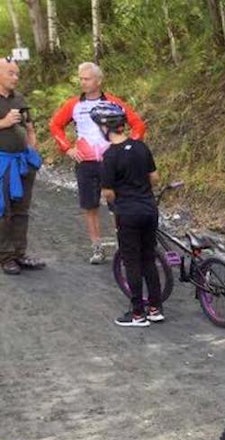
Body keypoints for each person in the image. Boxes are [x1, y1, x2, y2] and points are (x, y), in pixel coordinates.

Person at [49, 62, 146, 265]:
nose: (82, 82)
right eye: (80, 78)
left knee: (117, 204)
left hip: (111, 161)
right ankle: (97, 247)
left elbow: (138, 124)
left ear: (98, 81)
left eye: (87, 78)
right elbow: (55, 125)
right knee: (89, 205)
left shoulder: (113, 102)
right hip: (85, 162)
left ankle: (123, 244)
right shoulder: (74, 104)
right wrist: (67, 148)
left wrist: (130, 149)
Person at [94, 102, 163, 327]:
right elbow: (154, 178)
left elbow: (108, 193)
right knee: (149, 259)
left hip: (128, 213)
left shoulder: (110, 156)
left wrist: (119, 199)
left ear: (105, 127)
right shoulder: (141, 147)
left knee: (131, 262)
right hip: (149, 210)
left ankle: (137, 314)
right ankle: (155, 308)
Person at [0, 58, 44, 276]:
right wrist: (4, 123)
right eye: (10, 73)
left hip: (22, 162)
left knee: (21, 210)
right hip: (2, 164)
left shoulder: (19, 98)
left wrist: (32, 149)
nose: (15, 78)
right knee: (3, 211)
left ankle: (20, 253)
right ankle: (6, 257)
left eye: (17, 73)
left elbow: (29, 126)